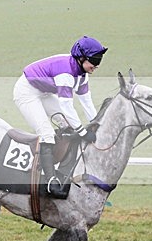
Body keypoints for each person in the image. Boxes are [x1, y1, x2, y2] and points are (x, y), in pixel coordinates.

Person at [13, 36, 108, 199]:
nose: (96, 66)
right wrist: (83, 132)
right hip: (26, 92)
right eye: (93, 61)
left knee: (69, 126)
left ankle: (63, 168)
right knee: (47, 133)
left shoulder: (82, 74)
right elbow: (66, 106)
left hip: (44, 92)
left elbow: (87, 102)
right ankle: (50, 181)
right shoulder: (66, 74)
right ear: (81, 58)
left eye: (98, 61)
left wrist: (97, 125)